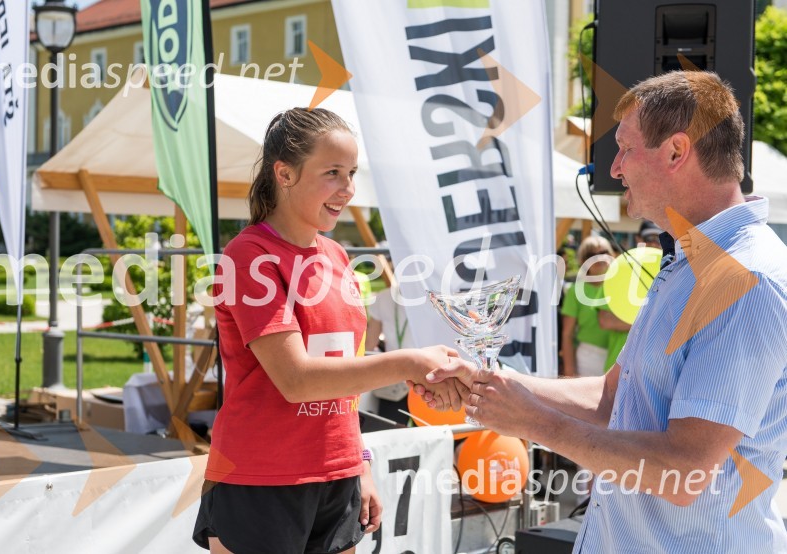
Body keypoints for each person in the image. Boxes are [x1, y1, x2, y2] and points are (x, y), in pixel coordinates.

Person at [418, 71, 787, 551]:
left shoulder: (746, 278)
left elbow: (684, 472)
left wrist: (532, 422)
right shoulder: (690, 261)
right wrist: (495, 384)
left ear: (677, 151)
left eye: (626, 148)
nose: (613, 169)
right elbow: (615, 401)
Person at [193, 108, 459, 554]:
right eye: (332, 173)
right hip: (261, 477)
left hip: (336, 476)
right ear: (285, 174)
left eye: (351, 173)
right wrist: (410, 362)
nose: (348, 189)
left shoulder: (336, 256)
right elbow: (296, 380)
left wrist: (360, 463)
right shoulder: (249, 257)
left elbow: (343, 377)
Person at [560, 236, 616, 377]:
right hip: (589, 358)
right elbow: (567, 335)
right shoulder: (575, 291)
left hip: (620, 355)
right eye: (591, 255)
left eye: (604, 252)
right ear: (582, 260)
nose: (599, 258)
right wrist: (569, 372)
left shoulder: (623, 286)